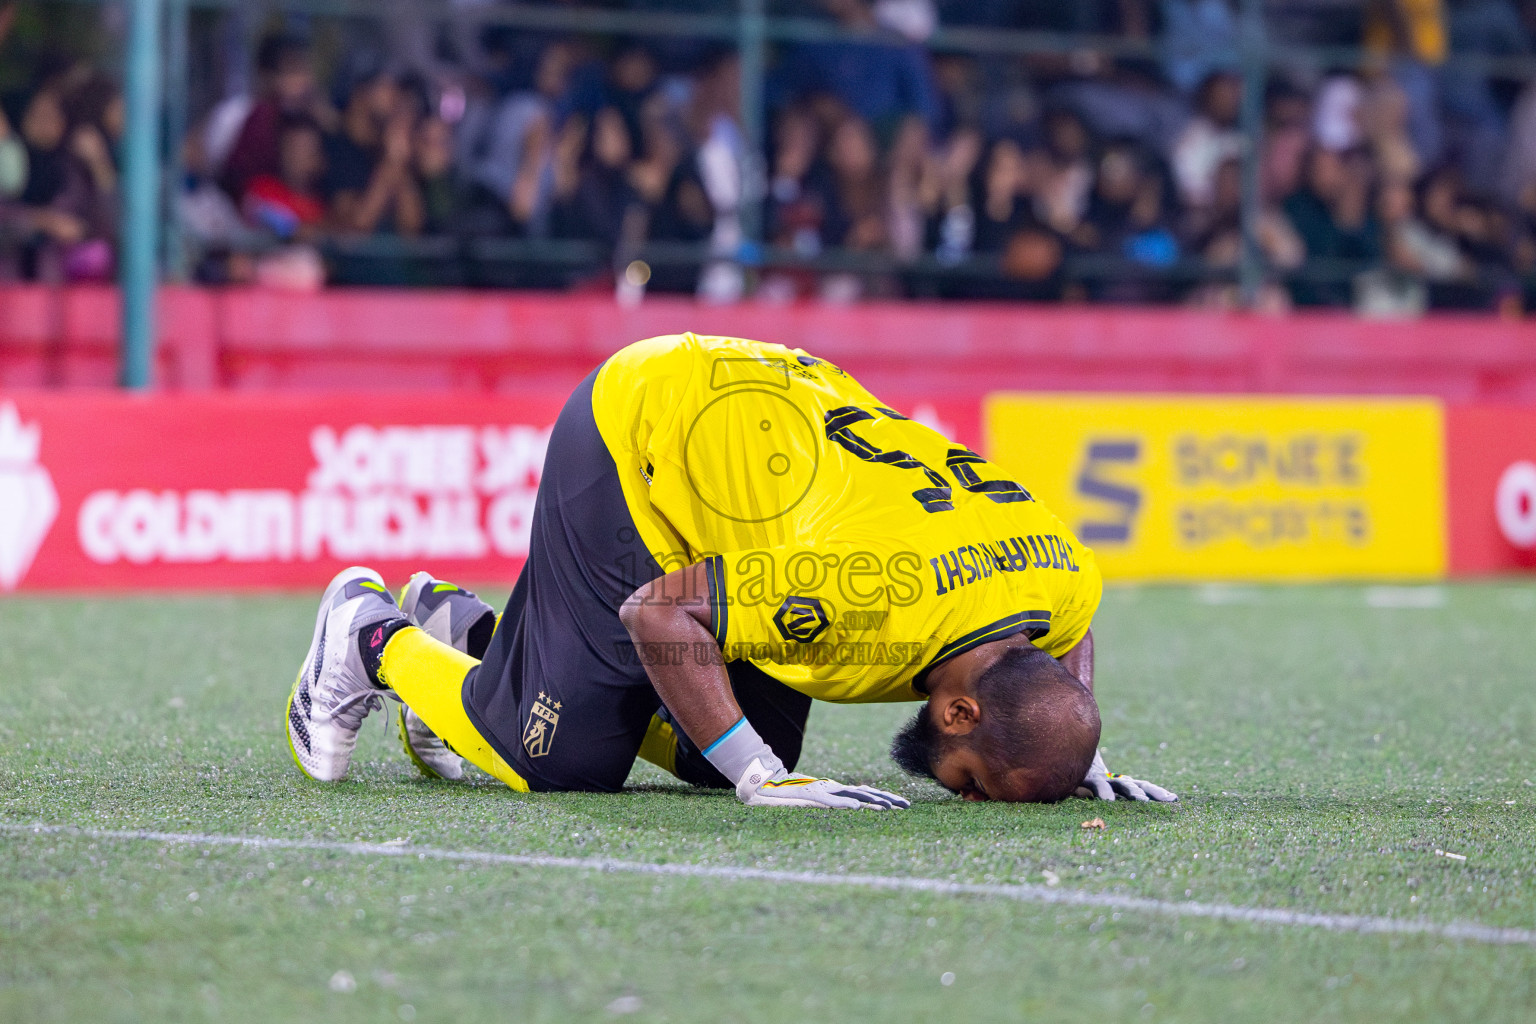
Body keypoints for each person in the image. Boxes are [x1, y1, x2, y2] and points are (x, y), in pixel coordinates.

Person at [285, 334, 1177, 808]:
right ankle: (371, 635)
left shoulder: (1061, 576)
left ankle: (470, 634)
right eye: (980, 782)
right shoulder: (862, 595)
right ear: (957, 712)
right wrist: (761, 782)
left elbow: (1068, 636)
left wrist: (1073, 755)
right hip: (643, 425)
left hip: (760, 434)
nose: (971, 799)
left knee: (735, 738)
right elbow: (659, 614)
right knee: (559, 760)